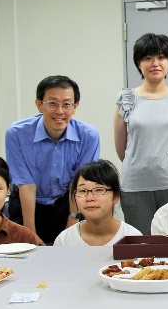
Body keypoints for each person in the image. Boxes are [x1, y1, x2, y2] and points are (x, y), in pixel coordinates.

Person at [114, 33, 168, 235]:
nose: (155, 63)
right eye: (148, 58)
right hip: (135, 186)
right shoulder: (126, 99)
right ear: (138, 63)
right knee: (142, 243)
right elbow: (122, 150)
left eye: (161, 57)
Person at [6, 75, 100, 244]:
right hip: (26, 203)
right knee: (28, 252)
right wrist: (30, 232)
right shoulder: (17, 134)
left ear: (75, 106)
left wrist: (73, 218)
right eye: (52, 103)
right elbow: (26, 184)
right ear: (39, 104)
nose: (59, 111)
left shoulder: (88, 136)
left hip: (68, 203)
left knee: (71, 251)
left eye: (66, 104)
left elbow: (79, 183)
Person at [54, 160, 141, 246]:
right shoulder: (64, 241)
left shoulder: (133, 238)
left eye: (99, 190)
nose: (90, 198)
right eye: (82, 191)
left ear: (116, 196)